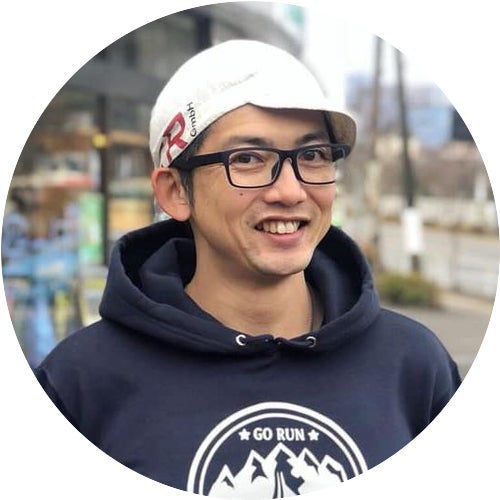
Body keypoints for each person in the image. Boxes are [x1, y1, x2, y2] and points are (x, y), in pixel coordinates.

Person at [34, 40, 460, 498]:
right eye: (248, 159)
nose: (290, 191)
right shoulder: (81, 383)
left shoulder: (413, 365)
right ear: (176, 191)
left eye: (313, 155)